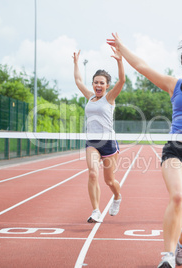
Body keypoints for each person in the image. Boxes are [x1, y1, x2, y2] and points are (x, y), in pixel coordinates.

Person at [107, 1, 182, 267]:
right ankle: (168, 256)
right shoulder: (175, 86)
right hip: (176, 149)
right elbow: (143, 67)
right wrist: (121, 47)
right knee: (177, 197)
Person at [72, 48, 125, 223]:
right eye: (96, 82)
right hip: (92, 142)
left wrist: (119, 61)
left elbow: (122, 80)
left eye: (101, 83)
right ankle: (96, 211)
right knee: (93, 174)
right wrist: (76, 63)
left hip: (108, 143)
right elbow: (78, 81)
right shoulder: (89, 97)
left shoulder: (109, 98)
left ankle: (117, 196)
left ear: (107, 85)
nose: (98, 85)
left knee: (110, 181)